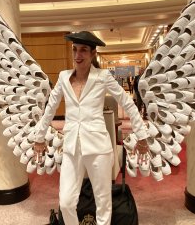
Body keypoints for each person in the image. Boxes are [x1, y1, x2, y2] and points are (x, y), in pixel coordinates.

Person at [33, 31, 149, 225]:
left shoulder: (102, 76)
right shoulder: (63, 77)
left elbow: (127, 103)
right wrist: (39, 137)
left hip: (98, 148)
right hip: (71, 147)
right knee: (67, 202)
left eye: (83, 50)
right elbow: (50, 108)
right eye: (75, 50)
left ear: (93, 53)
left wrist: (142, 135)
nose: (78, 55)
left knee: (103, 200)